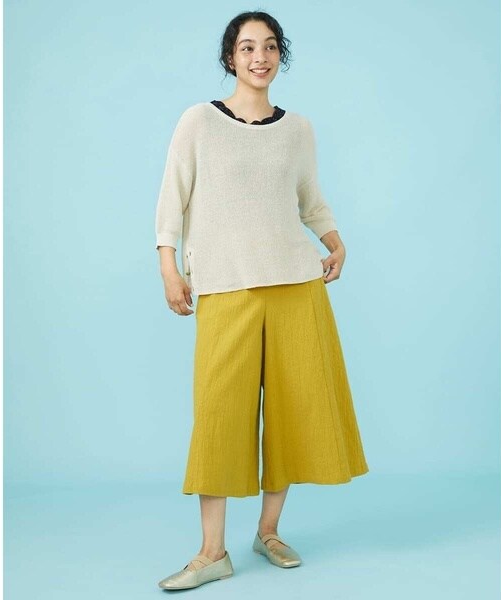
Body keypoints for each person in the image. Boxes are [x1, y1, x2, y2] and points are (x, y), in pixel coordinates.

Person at [155, 11, 369, 591]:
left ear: (281, 56)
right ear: (231, 57)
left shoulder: (298, 129)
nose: (260, 57)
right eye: (248, 47)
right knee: (219, 414)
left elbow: (310, 199)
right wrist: (169, 268)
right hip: (226, 284)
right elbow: (172, 199)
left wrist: (335, 241)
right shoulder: (199, 121)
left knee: (294, 411)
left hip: (297, 283)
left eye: (270, 47)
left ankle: (268, 531)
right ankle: (211, 552)